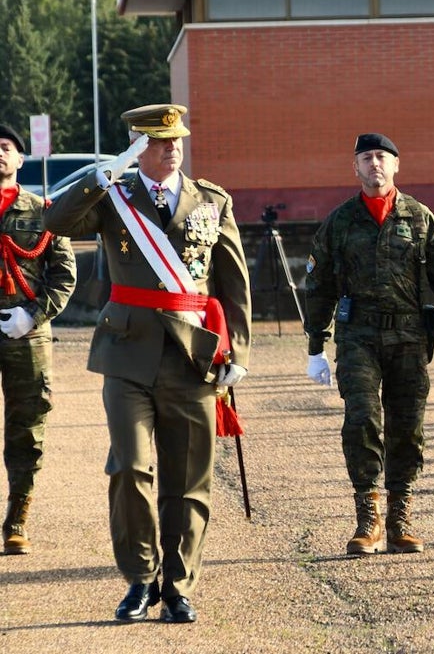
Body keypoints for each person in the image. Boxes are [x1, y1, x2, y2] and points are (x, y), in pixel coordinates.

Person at [44, 104, 251, 624]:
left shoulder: (211, 199)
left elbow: (233, 282)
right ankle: (140, 578)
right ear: (137, 147)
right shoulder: (114, 195)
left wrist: (239, 355)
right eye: (158, 142)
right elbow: (53, 222)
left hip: (193, 357)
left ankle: (178, 585)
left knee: (187, 478)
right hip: (126, 352)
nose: (171, 148)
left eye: (176, 139)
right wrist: (100, 176)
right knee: (130, 466)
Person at [304, 132, 434, 556]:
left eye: (382, 157)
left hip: (409, 336)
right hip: (358, 334)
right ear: (355, 168)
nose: (374, 164)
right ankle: (368, 518)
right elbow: (320, 285)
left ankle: (400, 518)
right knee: (361, 418)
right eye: (366, 158)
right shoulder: (340, 222)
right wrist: (315, 346)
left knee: (407, 425)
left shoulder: (418, 216)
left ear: (396, 165)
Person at [0, 124, 76, 555]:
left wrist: (32, 315)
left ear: (20, 159)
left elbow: (64, 275)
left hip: (25, 332)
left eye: (6, 148)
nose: (0, 154)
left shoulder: (46, 211)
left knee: (27, 427)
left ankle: (17, 521)